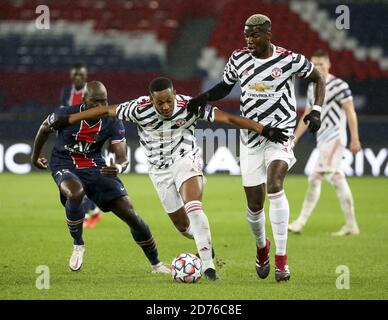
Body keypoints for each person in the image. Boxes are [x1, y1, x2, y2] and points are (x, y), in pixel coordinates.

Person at [48, 76, 288, 281]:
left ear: (175, 94)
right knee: (183, 226)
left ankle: (208, 266)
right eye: (159, 102)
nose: (165, 107)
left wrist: (264, 129)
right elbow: (103, 110)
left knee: (194, 207)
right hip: (158, 170)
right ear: (150, 99)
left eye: (169, 101)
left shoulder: (189, 106)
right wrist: (67, 120)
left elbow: (230, 119)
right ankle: (205, 243)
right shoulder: (137, 108)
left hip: (186, 159)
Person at [186, 14, 326, 282]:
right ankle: (262, 247)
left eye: (254, 35)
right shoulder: (238, 58)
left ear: (268, 34)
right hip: (250, 139)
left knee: (275, 184)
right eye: (246, 35)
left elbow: (317, 78)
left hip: (281, 134)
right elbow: (225, 87)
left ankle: (282, 262)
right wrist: (202, 98)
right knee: (254, 206)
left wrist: (316, 110)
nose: (249, 40)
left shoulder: (287, 59)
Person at [31, 81, 170, 274]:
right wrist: (35, 157)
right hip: (64, 163)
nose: (99, 106)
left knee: (132, 216)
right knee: (75, 192)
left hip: (95, 167)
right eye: (95, 101)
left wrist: (118, 168)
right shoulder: (65, 114)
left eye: (103, 101)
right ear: (84, 100)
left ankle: (156, 264)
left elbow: (122, 158)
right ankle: (78, 244)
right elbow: (44, 129)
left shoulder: (112, 120)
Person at [288, 50, 361, 236]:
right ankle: (351, 225)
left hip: (335, 138)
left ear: (329, 64)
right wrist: (295, 137)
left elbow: (351, 112)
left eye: (321, 64)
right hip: (322, 139)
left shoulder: (339, 85)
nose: (318, 67)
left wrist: (355, 139)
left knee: (323, 177)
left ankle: (301, 222)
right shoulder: (313, 87)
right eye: (315, 64)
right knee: (327, 178)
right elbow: (307, 113)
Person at [60, 62, 103, 228]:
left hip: (89, 138)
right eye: (75, 75)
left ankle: (85, 213)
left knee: (86, 177)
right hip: (71, 139)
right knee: (75, 177)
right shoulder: (66, 91)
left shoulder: (91, 92)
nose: (77, 77)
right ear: (71, 76)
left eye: (81, 75)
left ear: (85, 76)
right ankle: (93, 210)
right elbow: (62, 112)